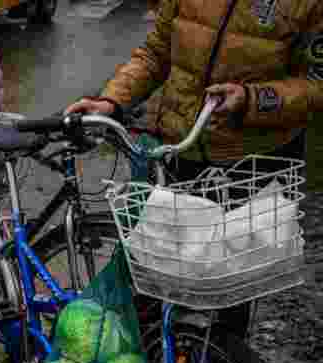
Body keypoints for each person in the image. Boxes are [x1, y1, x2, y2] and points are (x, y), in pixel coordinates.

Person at [66, 0, 323, 337]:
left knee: (229, 291)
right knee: (159, 278)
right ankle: (158, 360)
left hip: (252, 165)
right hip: (181, 151)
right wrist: (111, 101)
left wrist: (254, 99)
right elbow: (156, 52)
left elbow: (315, 82)